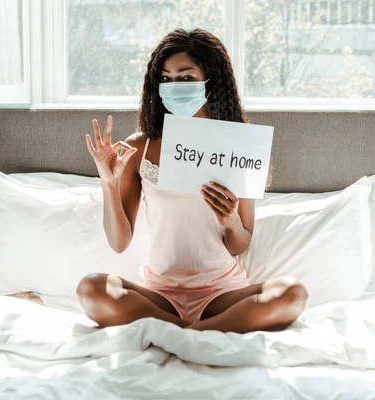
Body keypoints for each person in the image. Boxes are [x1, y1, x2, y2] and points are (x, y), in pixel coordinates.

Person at [77, 28, 308, 334]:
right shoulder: (140, 147)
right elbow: (119, 243)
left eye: (186, 78)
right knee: (90, 288)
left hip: (222, 292)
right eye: (166, 78)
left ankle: (182, 333)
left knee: (293, 293)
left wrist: (230, 221)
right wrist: (108, 182)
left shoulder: (239, 146)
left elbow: (240, 244)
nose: (174, 86)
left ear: (211, 81)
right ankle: (201, 332)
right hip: (158, 294)